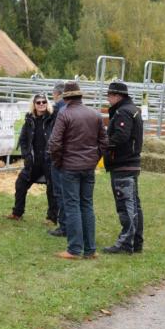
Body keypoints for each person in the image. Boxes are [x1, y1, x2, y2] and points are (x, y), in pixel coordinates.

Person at [48, 81, 108, 260]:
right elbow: (104, 142)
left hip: (70, 167)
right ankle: (90, 250)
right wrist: (93, 159)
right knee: (87, 205)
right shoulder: (95, 114)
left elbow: (54, 143)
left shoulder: (64, 114)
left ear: (65, 97)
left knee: (72, 206)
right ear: (80, 96)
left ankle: (74, 249)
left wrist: (59, 162)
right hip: (88, 168)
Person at [101, 81, 145, 254]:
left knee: (126, 204)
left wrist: (103, 145)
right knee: (133, 204)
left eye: (109, 95)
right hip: (129, 163)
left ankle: (127, 243)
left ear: (117, 96)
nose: (108, 98)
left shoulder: (123, 112)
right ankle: (136, 242)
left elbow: (120, 137)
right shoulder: (131, 110)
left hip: (123, 163)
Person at [5, 94, 58, 223]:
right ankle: (17, 213)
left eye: (43, 102)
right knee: (21, 183)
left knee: (52, 189)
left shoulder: (53, 119)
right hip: (33, 161)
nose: (41, 104)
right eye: (38, 102)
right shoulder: (29, 120)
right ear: (34, 105)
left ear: (47, 103)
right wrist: (26, 155)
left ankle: (52, 218)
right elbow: (23, 139)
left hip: (49, 160)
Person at [47, 82, 68, 237]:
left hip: (60, 158)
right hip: (74, 158)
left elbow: (56, 136)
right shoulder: (82, 110)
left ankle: (64, 226)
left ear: (57, 94)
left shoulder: (59, 109)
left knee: (60, 192)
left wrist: (53, 154)